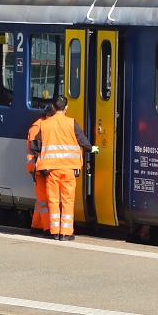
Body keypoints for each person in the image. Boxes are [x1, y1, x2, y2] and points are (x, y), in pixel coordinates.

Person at [31, 95, 98, 241]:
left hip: (51, 170)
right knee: (68, 200)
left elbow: (36, 146)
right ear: (66, 108)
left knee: (53, 200)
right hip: (69, 169)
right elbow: (83, 141)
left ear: (54, 108)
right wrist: (92, 148)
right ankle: (66, 233)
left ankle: (54, 232)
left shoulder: (45, 124)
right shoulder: (72, 123)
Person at [26, 103, 55, 234]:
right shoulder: (37, 127)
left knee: (41, 200)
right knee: (44, 200)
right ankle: (47, 228)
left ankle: (36, 226)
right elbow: (35, 148)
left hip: (40, 167)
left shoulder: (42, 125)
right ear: (48, 115)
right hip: (38, 168)